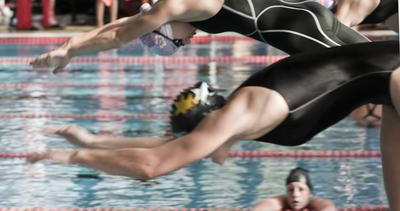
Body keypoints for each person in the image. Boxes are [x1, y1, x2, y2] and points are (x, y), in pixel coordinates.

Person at [28, 40, 400, 210]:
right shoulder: (237, 117)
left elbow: (151, 166)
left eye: (194, 139)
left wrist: (72, 157)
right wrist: (93, 140)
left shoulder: (234, 115)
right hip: (388, 89)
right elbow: (164, 145)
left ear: (204, 124)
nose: (202, 154)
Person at [29, 0, 369, 73]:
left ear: (164, 27)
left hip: (299, 34)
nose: (188, 42)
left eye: (176, 43)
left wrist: (70, 49)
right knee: (388, 59)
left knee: (377, 76)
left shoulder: (180, 5)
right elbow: (128, 22)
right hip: (308, 14)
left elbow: (119, 35)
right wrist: (70, 48)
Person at [253, 167, 336, 211]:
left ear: (309, 193)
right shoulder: (279, 202)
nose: (295, 195)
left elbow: (329, 207)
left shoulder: (319, 203)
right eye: (291, 190)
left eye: (301, 189)